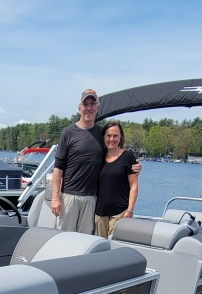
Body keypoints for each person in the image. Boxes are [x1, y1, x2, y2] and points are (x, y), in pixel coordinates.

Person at [50, 89, 141, 233]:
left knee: (85, 242)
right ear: (79, 107)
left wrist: (134, 167)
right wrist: (55, 197)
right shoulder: (68, 132)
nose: (89, 108)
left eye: (92, 104)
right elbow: (58, 167)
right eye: (85, 104)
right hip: (69, 196)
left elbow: (116, 157)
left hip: (92, 199)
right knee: (64, 238)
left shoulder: (102, 134)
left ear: (97, 108)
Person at [94, 120, 138, 238]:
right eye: (108, 135)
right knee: (100, 249)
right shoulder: (99, 156)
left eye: (115, 136)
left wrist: (130, 210)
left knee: (113, 247)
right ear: (103, 137)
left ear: (120, 137)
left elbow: (134, 185)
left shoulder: (128, 157)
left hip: (120, 213)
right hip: (100, 213)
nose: (111, 139)